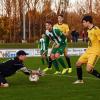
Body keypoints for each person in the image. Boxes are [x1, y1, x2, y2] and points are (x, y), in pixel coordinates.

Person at [74, 15, 100, 84]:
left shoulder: (96, 30)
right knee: (78, 64)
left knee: (88, 69)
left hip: (95, 52)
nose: (83, 24)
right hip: (88, 51)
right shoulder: (88, 30)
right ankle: (80, 80)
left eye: (84, 22)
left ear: (88, 22)